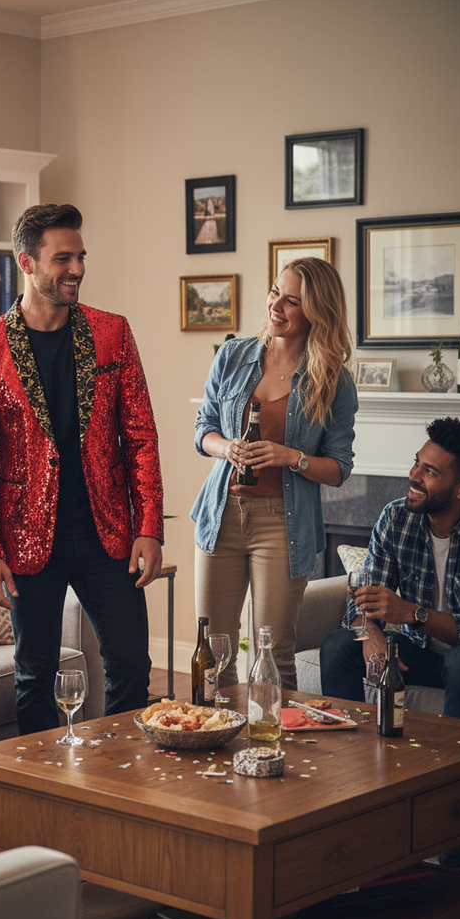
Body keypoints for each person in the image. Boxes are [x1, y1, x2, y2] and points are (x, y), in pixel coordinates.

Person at [0, 203, 164, 735]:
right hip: (26, 541)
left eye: (81, 257)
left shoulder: (113, 333)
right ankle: (40, 804)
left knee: (132, 670)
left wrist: (149, 527)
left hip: (108, 534)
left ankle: (122, 790)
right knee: (33, 677)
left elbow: (140, 437)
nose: (77, 269)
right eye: (62, 258)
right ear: (26, 262)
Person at [191, 258, 358, 690]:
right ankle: (213, 747)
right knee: (212, 652)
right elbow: (202, 429)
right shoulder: (233, 355)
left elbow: (339, 468)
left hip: (283, 525)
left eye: (292, 301)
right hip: (221, 514)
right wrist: (225, 446)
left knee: (274, 653)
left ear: (316, 312)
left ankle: (273, 753)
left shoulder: (333, 379)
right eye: (274, 292)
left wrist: (291, 456)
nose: (276, 306)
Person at [320, 417, 460, 714]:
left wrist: (411, 613)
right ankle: (348, 751)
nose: (413, 476)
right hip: (416, 654)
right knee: (339, 645)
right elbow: (363, 599)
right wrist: (370, 633)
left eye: (429, 471)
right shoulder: (396, 518)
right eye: (416, 463)